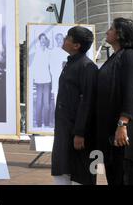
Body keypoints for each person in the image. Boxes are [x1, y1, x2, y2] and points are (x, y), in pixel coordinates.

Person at [96, 17, 133, 185]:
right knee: (115, 177)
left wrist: (122, 123)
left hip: (126, 130)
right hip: (113, 130)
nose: (107, 32)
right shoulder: (114, 57)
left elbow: (130, 92)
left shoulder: (130, 57)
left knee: (128, 177)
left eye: (111, 28)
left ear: (119, 34)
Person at [51, 27, 97, 185]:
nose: (64, 39)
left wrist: (80, 132)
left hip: (77, 134)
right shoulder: (70, 64)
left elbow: (88, 102)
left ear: (76, 45)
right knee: (62, 170)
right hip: (64, 131)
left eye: (68, 37)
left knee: (82, 174)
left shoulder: (87, 67)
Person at [31, 33, 52, 128]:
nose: (43, 41)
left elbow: (51, 65)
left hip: (47, 80)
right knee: (39, 102)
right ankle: (39, 123)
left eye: (44, 39)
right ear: (39, 41)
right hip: (39, 80)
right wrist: (34, 78)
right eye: (41, 39)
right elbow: (34, 66)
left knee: (46, 103)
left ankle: (46, 123)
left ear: (46, 40)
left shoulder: (48, 52)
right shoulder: (36, 51)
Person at [49, 32, 67, 127]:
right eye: (58, 39)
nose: (60, 41)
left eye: (61, 39)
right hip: (57, 77)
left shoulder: (67, 51)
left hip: (68, 80)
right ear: (56, 40)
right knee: (57, 97)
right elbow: (51, 66)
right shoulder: (53, 52)